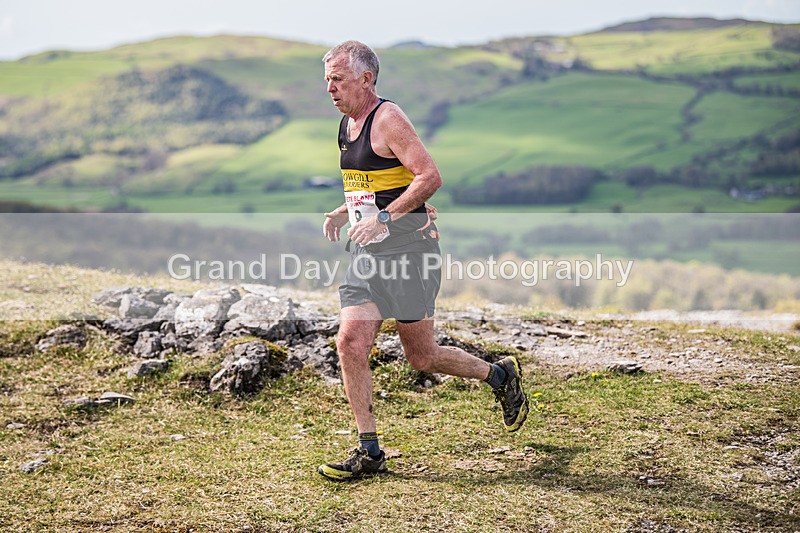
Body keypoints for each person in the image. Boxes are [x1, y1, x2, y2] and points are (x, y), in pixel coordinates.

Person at [318, 41, 528, 481]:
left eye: (338, 79)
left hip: (410, 255)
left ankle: (499, 375)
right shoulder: (347, 124)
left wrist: (385, 218)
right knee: (350, 343)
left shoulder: (388, 119)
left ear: (366, 78)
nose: (331, 89)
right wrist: (346, 211)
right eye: (327, 81)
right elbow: (373, 182)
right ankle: (370, 450)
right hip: (367, 256)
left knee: (422, 357)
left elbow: (429, 176)